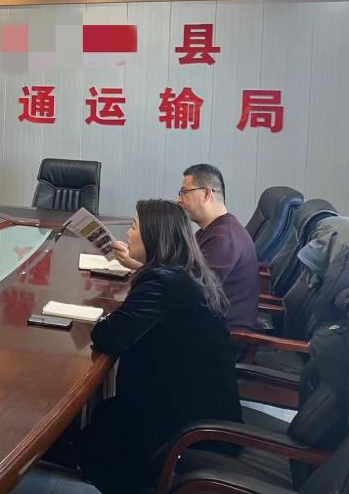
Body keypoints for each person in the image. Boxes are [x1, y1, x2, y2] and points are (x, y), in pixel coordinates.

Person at [78, 200, 241, 494]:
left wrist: (106, 318)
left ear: (153, 236)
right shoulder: (184, 272)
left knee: (99, 434)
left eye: (134, 227)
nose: (128, 234)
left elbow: (109, 337)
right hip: (202, 406)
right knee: (103, 417)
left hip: (187, 424)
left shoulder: (162, 283)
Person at [111, 164, 259, 330]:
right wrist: (140, 264)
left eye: (184, 192)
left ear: (206, 194)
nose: (179, 200)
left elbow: (192, 291)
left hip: (222, 334)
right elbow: (183, 274)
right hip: (202, 322)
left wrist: (141, 265)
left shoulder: (224, 238)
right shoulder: (212, 230)